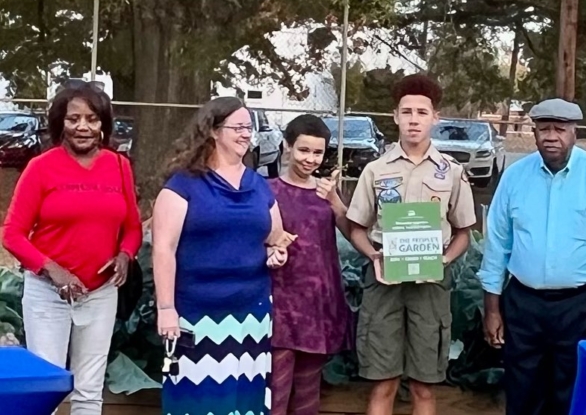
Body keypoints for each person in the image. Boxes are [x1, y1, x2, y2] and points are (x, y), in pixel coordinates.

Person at [478, 98, 586, 415]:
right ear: (534, 132)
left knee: (576, 392)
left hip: (582, 307)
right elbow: (496, 246)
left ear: (574, 132)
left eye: (559, 129)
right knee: (523, 392)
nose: (551, 136)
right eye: (543, 129)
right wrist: (492, 310)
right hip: (524, 306)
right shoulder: (514, 178)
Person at [2, 80, 143, 414]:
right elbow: (12, 234)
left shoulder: (120, 166)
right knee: (45, 387)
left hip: (101, 294)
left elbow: (133, 227)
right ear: (60, 123)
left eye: (92, 119)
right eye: (73, 118)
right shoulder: (40, 168)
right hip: (49, 295)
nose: (83, 126)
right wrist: (54, 270)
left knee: (89, 390)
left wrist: (126, 254)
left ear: (103, 124)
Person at [346, 74, 476, 415]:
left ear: (435, 117)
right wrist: (373, 255)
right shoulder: (375, 170)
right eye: (407, 112)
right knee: (383, 381)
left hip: (430, 286)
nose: (413, 119)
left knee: (424, 385)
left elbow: (463, 232)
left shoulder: (451, 171)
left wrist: (444, 260)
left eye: (422, 112)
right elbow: (356, 226)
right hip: (384, 282)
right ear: (395, 117)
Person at [153, 96, 287, 415]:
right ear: (213, 131)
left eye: (248, 127)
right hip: (196, 313)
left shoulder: (259, 186)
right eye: (237, 127)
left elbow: (275, 237)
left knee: (246, 402)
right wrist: (166, 308)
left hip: (251, 315)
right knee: (197, 401)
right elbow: (163, 249)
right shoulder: (182, 186)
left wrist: (276, 253)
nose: (246, 134)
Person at [268, 114, 351, 415]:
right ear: (287, 147)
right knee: (275, 390)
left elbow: (351, 231)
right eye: (304, 150)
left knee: (307, 394)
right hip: (280, 303)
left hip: (319, 306)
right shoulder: (268, 190)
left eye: (318, 152)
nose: (310, 159)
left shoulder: (327, 192)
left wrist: (335, 202)